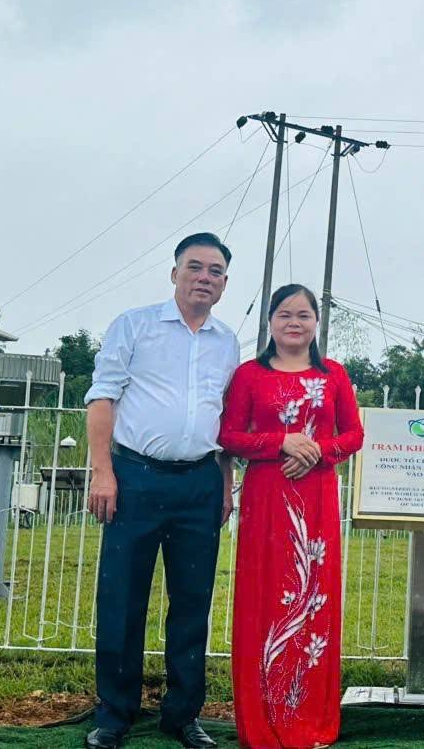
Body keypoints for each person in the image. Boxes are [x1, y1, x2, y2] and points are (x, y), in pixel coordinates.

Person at [84, 232, 241, 749]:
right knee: (123, 597)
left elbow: (223, 418)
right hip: (135, 478)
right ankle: (114, 713)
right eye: (194, 267)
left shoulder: (226, 342)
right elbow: (103, 397)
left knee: (193, 600)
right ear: (174, 273)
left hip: (199, 481)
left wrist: (223, 481)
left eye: (215, 271)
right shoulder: (134, 325)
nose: (204, 277)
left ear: (223, 283)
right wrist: (103, 472)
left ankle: (182, 714)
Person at [220, 284, 365, 749]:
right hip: (267, 497)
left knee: (312, 597)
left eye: (303, 315)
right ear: (270, 322)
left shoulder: (335, 375)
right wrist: (279, 442)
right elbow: (229, 435)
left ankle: (309, 719)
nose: (294, 323)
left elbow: (355, 435)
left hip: (317, 497)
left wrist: (316, 452)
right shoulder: (248, 376)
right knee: (263, 595)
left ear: (316, 323)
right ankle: (262, 719)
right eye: (284, 314)